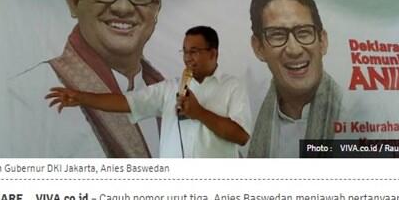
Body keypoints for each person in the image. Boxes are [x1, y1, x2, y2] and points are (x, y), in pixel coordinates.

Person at [0, 0, 166, 158]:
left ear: (154, 9)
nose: (123, 7)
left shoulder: (169, 96)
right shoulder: (23, 97)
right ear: (73, 2)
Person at [46, 26, 251, 158]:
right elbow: (126, 102)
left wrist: (199, 113)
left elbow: (241, 136)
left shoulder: (233, 86)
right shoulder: (170, 87)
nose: (188, 58)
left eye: (194, 52)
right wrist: (81, 97)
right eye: (185, 52)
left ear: (213, 53)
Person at [247, 0, 342, 157]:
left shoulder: (359, 114)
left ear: (323, 41)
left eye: (304, 32)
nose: (294, 49)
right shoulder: (245, 125)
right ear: (258, 47)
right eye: (277, 35)